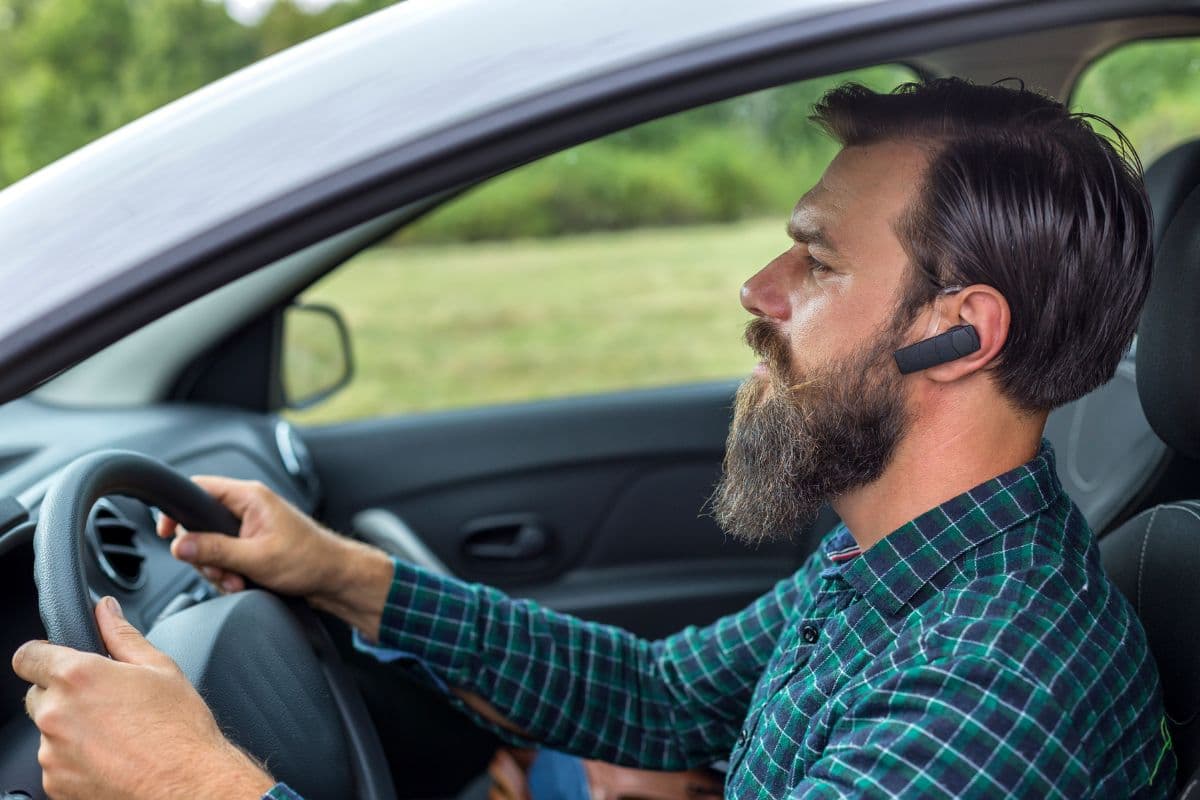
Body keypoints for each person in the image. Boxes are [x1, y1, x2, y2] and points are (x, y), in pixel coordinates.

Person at [11, 77, 1174, 799]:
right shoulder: (903, 561)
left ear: (957, 334)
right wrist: (341, 573)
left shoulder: (997, 687)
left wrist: (191, 781)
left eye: (816, 260)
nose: (757, 288)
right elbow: (667, 696)